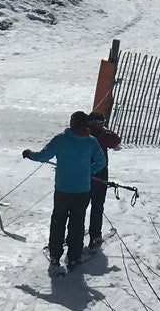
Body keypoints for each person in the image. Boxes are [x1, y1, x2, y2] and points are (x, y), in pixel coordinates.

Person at [23, 112, 106, 274]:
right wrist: (90, 171)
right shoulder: (91, 141)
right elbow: (101, 162)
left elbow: (43, 155)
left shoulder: (61, 139)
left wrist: (29, 154)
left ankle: (55, 254)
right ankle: (74, 256)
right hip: (82, 189)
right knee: (77, 223)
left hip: (63, 189)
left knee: (58, 221)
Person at [86, 111, 122, 252]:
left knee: (79, 205)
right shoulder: (103, 134)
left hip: (83, 172)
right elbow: (116, 140)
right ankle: (95, 235)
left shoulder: (83, 134)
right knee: (97, 205)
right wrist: (104, 129)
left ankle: (74, 233)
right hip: (99, 174)